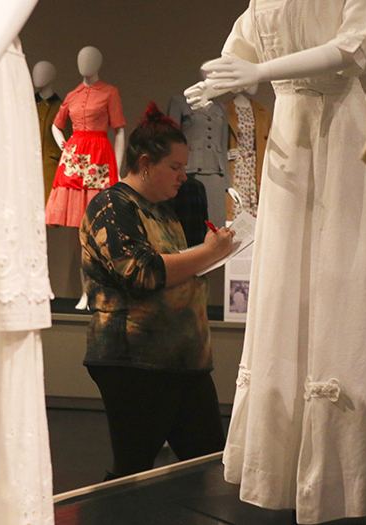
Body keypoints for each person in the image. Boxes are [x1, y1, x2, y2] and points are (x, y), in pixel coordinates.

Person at [79, 103, 235, 480]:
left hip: (183, 361)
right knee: (133, 474)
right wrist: (207, 253)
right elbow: (142, 272)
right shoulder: (111, 206)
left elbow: (177, 267)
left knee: (207, 467)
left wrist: (208, 254)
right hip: (134, 362)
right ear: (146, 163)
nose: (184, 176)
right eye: (175, 167)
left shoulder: (162, 211)